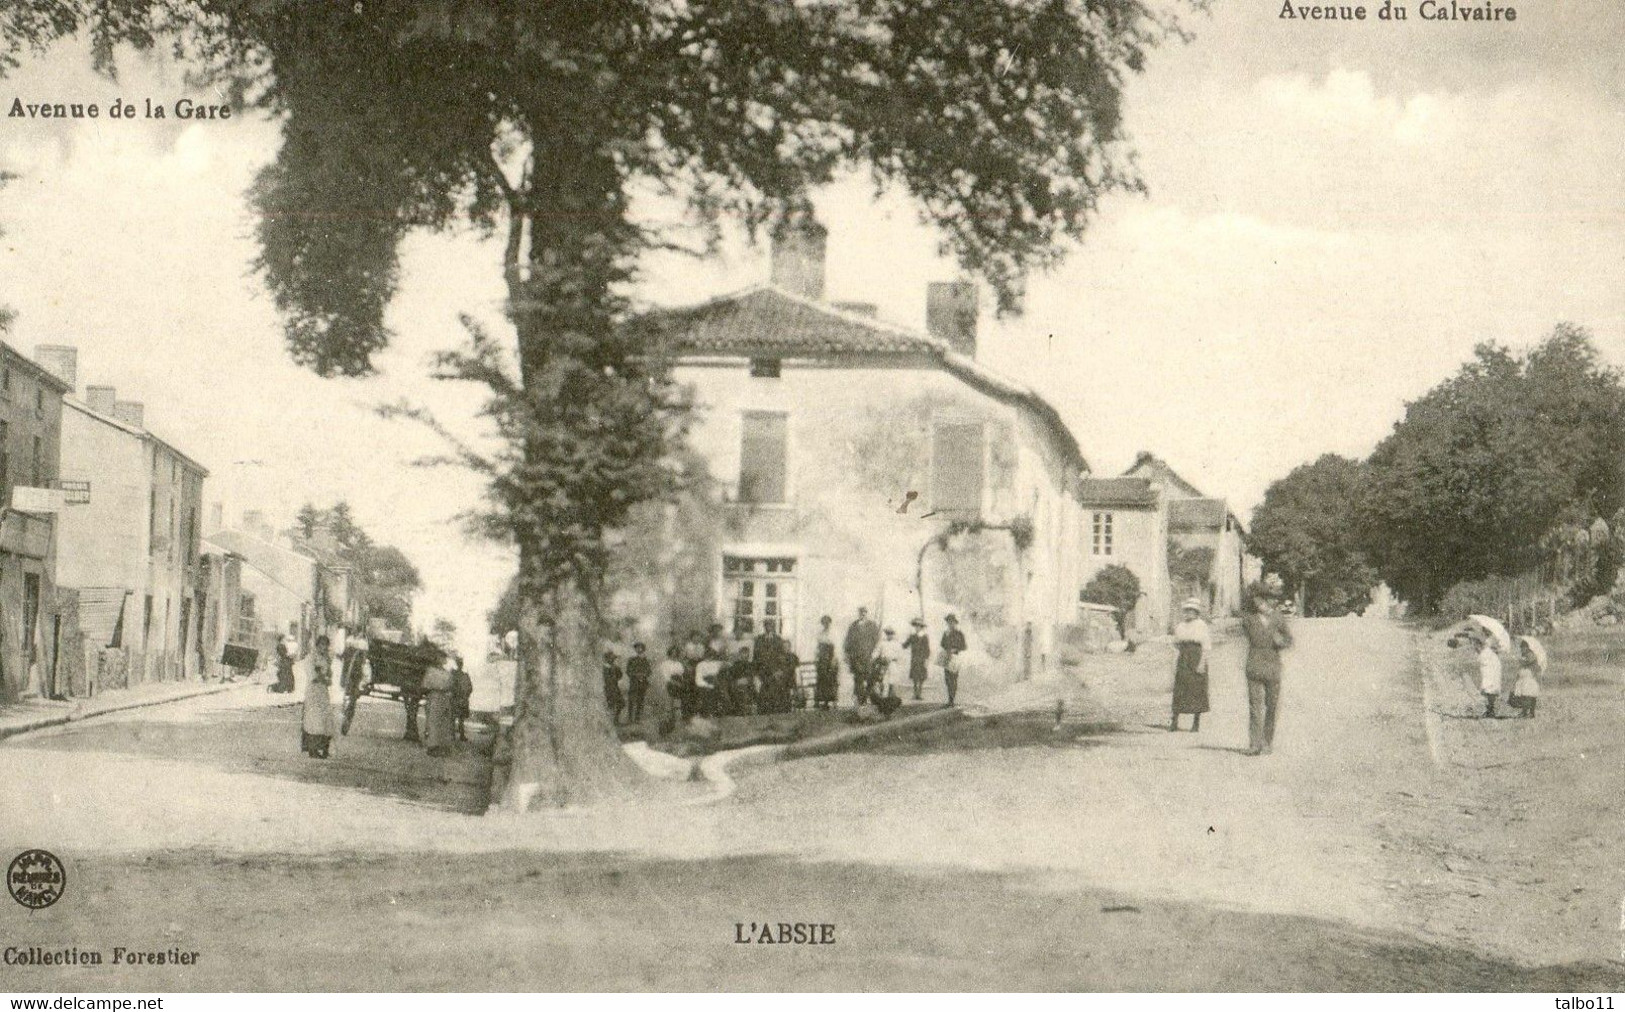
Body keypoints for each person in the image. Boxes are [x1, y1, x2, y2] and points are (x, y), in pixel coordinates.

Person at [1241, 584, 1293, 755]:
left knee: (1271, 705)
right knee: (1255, 706)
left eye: (1264, 600)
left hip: (1272, 665)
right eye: (1258, 600)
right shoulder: (1248, 619)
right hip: (1254, 664)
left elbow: (1289, 640)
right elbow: (1248, 632)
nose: (1261, 604)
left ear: (1270, 601)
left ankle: (1266, 742)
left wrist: (1281, 642)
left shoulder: (1278, 618)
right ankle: (1254, 744)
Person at [1170, 598, 1211, 732]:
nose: (1188, 613)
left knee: (1196, 688)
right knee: (1180, 687)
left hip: (1196, 655)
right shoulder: (1180, 626)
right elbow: (1176, 644)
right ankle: (1174, 721)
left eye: (1191, 611)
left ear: (1196, 612)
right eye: (1187, 611)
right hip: (1184, 657)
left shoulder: (1201, 625)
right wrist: (1175, 660)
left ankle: (1196, 723)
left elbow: (1206, 646)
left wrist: (1202, 663)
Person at [301, 635, 337, 759]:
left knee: (326, 718)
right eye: (321, 645)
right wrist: (323, 678)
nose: (323, 648)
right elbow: (313, 676)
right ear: (317, 646)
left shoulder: (326, 659)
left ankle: (324, 748)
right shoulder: (310, 658)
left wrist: (328, 678)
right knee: (314, 719)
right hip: (313, 692)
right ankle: (313, 749)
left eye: (325, 645)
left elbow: (329, 675)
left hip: (323, 692)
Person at [422, 651, 457, 757]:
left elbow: (452, 685)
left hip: (445, 698)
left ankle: (443, 746)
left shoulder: (447, 672)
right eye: (441, 658)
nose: (443, 660)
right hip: (435, 697)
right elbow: (426, 685)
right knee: (433, 721)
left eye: (443, 658)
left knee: (444, 722)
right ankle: (432, 746)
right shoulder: (431, 671)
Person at [843, 606, 880, 706]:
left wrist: (874, 653)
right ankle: (860, 700)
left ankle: (870, 698)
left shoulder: (872, 626)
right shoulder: (853, 626)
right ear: (858, 613)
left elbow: (876, 640)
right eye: (861, 612)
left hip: (868, 657)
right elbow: (847, 641)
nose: (862, 614)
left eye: (864, 612)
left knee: (869, 678)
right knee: (858, 678)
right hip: (856, 657)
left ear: (867, 613)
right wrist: (847, 655)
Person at [339, 636, 369, 736]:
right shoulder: (353, 646)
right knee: (351, 700)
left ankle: (346, 719)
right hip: (352, 678)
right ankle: (346, 719)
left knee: (351, 700)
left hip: (355, 678)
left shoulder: (352, 645)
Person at [1510, 635, 1544, 718]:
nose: (1522, 649)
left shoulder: (1531, 655)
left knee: (1529, 695)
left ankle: (1530, 713)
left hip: (1530, 678)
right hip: (1524, 678)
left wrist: (1518, 659)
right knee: (1524, 696)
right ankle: (1525, 712)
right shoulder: (1525, 655)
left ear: (1527, 648)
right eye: (1521, 647)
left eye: (1523, 647)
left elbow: (1526, 662)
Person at [1473, 630, 1502, 718]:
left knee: (1489, 688)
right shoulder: (1486, 650)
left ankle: (1491, 709)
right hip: (1488, 670)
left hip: (1491, 671)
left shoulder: (1486, 651)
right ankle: (1490, 709)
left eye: (1476, 645)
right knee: (1488, 689)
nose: (1475, 647)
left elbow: (1483, 660)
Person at [940, 614, 967, 707]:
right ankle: (949, 700)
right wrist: (947, 649)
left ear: (955, 623)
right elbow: (942, 643)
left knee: (953, 679)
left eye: (952, 622)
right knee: (947, 679)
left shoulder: (959, 634)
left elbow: (964, 646)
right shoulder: (946, 633)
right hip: (947, 657)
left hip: (955, 657)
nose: (950, 624)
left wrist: (955, 649)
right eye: (948, 622)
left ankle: (952, 700)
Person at [813, 615, 839, 710]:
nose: (826, 624)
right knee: (821, 679)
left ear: (830, 623)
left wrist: (833, 660)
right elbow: (818, 648)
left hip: (830, 658)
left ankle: (828, 701)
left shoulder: (833, 633)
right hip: (822, 659)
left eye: (827, 622)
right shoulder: (820, 634)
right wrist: (817, 658)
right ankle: (822, 701)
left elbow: (835, 648)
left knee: (830, 680)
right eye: (824, 623)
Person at [903, 617, 931, 701]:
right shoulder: (912, 636)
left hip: (922, 659)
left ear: (921, 627)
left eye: (918, 626)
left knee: (921, 677)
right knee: (915, 677)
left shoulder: (925, 637)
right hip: (914, 659)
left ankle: (919, 693)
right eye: (915, 626)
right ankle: (915, 693)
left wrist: (926, 659)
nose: (917, 627)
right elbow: (905, 646)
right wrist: (906, 638)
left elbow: (927, 649)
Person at [659, 645, 688, 721]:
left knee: (677, 702)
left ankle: (676, 720)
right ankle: (668, 720)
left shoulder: (679, 664)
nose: (674, 654)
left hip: (679, 683)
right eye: (672, 652)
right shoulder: (665, 663)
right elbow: (666, 677)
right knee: (669, 702)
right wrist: (675, 683)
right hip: (669, 684)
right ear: (670, 653)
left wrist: (681, 683)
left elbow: (681, 674)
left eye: (676, 653)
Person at [625, 642, 652, 723]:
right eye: (637, 648)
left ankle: (637, 718)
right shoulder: (631, 659)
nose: (639, 649)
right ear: (635, 649)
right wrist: (635, 675)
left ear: (643, 649)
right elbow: (628, 671)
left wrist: (643, 675)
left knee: (640, 700)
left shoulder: (646, 660)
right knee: (631, 700)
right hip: (633, 682)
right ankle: (630, 718)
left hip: (642, 683)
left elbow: (649, 671)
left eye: (641, 648)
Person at [452, 654, 475, 741]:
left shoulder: (454, 675)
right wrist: (466, 695)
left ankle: (455, 735)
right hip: (462, 699)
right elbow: (470, 688)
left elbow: (470, 688)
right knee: (460, 718)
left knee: (454, 717)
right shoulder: (465, 675)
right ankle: (460, 735)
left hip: (456, 699)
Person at [602, 650, 625, 724]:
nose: (612, 660)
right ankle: (610, 721)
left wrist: (617, 671)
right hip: (608, 688)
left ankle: (615, 720)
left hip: (615, 687)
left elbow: (620, 675)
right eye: (610, 658)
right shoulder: (605, 668)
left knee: (621, 703)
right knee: (610, 705)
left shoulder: (615, 667)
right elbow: (606, 678)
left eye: (613, 659)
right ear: (607, 659)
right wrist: (613, 678)